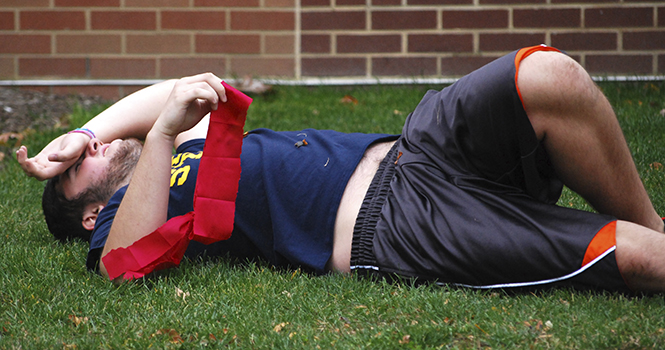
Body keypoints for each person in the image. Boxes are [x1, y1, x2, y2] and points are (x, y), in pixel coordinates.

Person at [16, 45, 665, 293]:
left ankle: (652, 220)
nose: (97, 153)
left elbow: (158, 102)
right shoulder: (129, 214)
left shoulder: (178, 149)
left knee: (548, 73)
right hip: (400, 223)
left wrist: (82, 134)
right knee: (634, 257)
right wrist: (156, 135)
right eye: (81, 170)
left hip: (419, 150)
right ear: (91, 212)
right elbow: (121, 263)